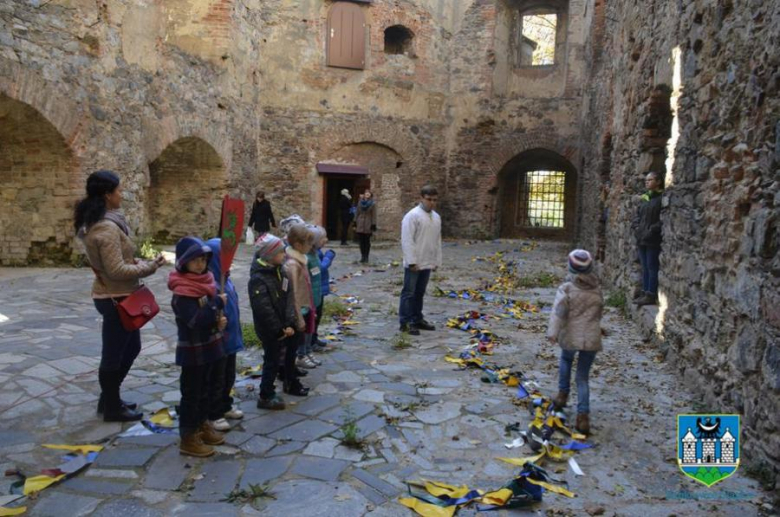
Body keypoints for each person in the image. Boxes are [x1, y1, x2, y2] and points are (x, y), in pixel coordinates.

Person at [75, 170, 165, 422]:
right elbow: (115, 270)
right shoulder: (105, 228)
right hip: (115, 298)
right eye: (118, 190)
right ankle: (111, 406)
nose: (121, 194)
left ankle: (109, 399)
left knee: (131, 347)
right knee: (114, 353)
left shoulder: (105, 222)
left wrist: (135, 261)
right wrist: (150, 266)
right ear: (107, 195)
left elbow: (116, 261)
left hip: (120, 294)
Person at [169, 237, 228, 457]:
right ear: (184, 262)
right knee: (192, 394)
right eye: (195, 260)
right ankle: (188, 436)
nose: (200, 264)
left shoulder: (206, 283)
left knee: (205, 390)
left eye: (203, 259)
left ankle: (202, 424)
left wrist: (218, 321)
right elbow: (195, 319)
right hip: (193, 351)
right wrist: (217, 305)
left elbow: (208, 317)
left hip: (209, 347)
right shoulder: (182, 292)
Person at [547, 249, 603, 436]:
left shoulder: (567, 289)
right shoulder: (597, 290)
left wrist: (553, 332)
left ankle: (562, 395)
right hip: (591, 337)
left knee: (566, 360)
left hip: (571, 335)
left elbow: (559, 312)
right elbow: (598, 313)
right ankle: (583, 416)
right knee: (582, 377)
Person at [248, 233, 298, 410]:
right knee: (271, 360)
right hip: (270, 330)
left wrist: (289, 323)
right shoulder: (258, 279)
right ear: (269, 255)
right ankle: (265, 395)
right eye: (281, 252)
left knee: (276, 359)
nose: (284, 255)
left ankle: (269, 389)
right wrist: (278, 330)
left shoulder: (280, 271)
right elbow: (264, 309)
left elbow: (287, 298)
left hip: (282, 327)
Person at [205, 238, 245, 431]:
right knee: (217, 378)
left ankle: (225, 404)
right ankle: (214, 413)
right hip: (219, 339)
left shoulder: (225, 278)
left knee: (229, 375)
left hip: (231, 338)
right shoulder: (210, 283)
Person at [399, 185, 442, 336]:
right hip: (414, 262)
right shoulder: (412, 216)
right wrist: (411, 261)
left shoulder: (436, 217)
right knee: (409, 292)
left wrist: (436, 260)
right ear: (421, 198)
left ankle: (417, 318)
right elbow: (407, 240)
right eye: (429, 199)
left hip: (427, 261)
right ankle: (405, 321)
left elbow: (437, 240)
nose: (432, 203)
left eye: (434, 200)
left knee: (419, 293)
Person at [281, 224, 314, 396]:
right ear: (299, 245)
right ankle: (290, 381)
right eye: (309, 244)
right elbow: (292, 292)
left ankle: (291, 370)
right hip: (296, 311)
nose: (311, 247)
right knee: (291, 348)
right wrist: (298, 317)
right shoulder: (293, 264)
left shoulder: (301, 259)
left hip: (302, 308)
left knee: (295, 344)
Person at [632, 171, 663, 306]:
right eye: (646, 180)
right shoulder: (645, 198)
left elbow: (662, 219)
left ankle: (651, 293)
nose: (647, 182)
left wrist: (652, 230)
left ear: (658, 182)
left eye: (650, 180)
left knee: (651, 266)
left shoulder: (661, 198)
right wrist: (637, 228)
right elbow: (638, 215)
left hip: (652, 238)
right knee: (645, 266)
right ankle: (645, 292)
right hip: (641, 237)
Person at [296, 225, 324, 368]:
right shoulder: (305, 257)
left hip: (315, 294)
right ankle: (302, 353)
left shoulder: (315, 254)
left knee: (311, 326)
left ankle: (308, 350)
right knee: (305, 327)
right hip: (308, 296)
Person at [313, 226, 336, 351]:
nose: (326, 240)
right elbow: (320, 268)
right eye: (323, 238)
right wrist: (329, 257)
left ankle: (314, 338)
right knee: (314, 316)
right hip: (316, 290)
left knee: (318, 315)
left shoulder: (317, 251)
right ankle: (311, 342)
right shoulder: (314, 254)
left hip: (319, 289)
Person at [355, 189, 377, 263]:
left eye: (368, 194)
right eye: (366, 193)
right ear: (364, 194)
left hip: (368, 223)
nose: (367, 195)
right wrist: (355, 221)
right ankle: (362, 256)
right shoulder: (360, 203)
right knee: (361, 241)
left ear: (370, 195)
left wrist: (373, 224)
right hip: (360, 223)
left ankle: (366, 256)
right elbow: (357, 212)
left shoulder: (373, 204)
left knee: (367, 241)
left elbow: (374, 215)